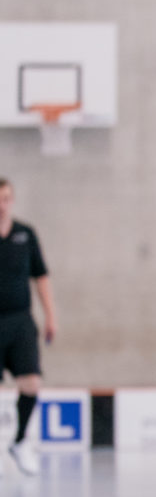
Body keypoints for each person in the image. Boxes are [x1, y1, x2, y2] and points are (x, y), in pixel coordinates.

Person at [0, 178, 57, 477]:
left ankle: (21, 441)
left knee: (32, 382)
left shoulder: (25, 234)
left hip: (20, 319)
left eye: (6, 198)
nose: (2, 203)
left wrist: (50, 315)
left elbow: (41, 276)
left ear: (12, 201)